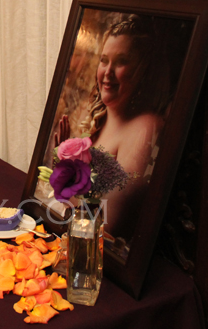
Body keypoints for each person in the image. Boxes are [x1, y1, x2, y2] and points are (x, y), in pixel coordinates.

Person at [57, 15, 169, 241]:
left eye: (121, 61)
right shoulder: (95, 121)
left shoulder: (144, 127)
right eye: (104, 60)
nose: (107, 72)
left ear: (142, 70)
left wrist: (65, 177)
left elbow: (108, 222)